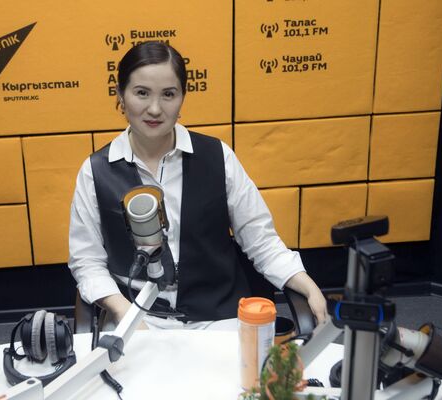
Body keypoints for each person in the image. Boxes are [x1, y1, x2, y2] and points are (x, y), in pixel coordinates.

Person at [68, 41, 327, 329]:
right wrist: (123, 311)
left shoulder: (218, 157)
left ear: (182, 97)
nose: (155, 108)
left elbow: (261, 240)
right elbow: (87, 262)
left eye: (168, 94)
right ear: (120, 94)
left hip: (218, 319)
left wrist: (307, 286)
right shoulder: (95, 171)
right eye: (142, 93)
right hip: (137, 319)